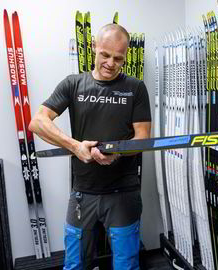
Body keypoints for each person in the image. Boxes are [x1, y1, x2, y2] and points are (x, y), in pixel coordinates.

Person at [29, 23, 151, 270]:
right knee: (75, 264)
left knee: (126, 265)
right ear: (94, 47)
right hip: (83, 193)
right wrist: (75, 146)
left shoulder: (136, 88)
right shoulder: (73, 84)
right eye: (105, 55)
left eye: (118, 58)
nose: (110, 63)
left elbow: (142, 139)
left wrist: (116, 152)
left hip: (123, 193)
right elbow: (38, 122)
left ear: (125, 57)